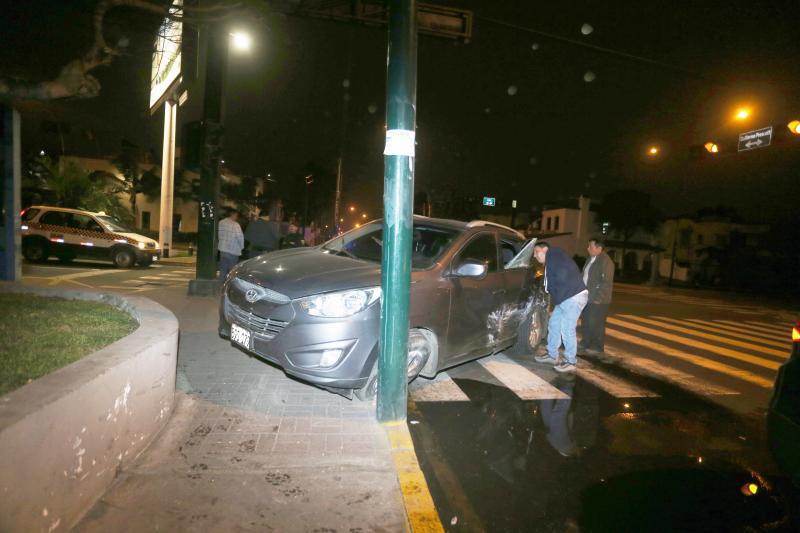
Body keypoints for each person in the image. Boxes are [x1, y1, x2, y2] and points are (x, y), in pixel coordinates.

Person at [532, 241, 588, 373]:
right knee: (554, 323)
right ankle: (552, 354)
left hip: (572, 297)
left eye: (536, 251)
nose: (534, 256)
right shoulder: (552, 259)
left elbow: (560, 276)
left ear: (544, 249)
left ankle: (570, 361)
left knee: (567, 328)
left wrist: (559, 297)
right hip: (566, 297)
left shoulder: (554, 254)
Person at [579, 237, 615, 355]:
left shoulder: (605, 261)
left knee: (596, 323)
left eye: (591, 246)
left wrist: (598, 298)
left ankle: (597, 346)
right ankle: (586, 342)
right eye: (588, 246)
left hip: (599, 299)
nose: (588, 248)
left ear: (599, 248)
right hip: (587, 296)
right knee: (586, 321)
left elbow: (606, 282)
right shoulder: (590, 258)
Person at [218, 210, 244, 281]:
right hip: (232, 250)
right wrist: (242, 247)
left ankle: (220, 287)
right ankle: (229, 287)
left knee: (222, 270)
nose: (237, 217)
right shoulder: (235, 225)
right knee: (232, 271)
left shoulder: (221, 222)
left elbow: (219, 235)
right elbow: (240, 237)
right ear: (233, 215)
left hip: (223, 249)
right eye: (236, 215)